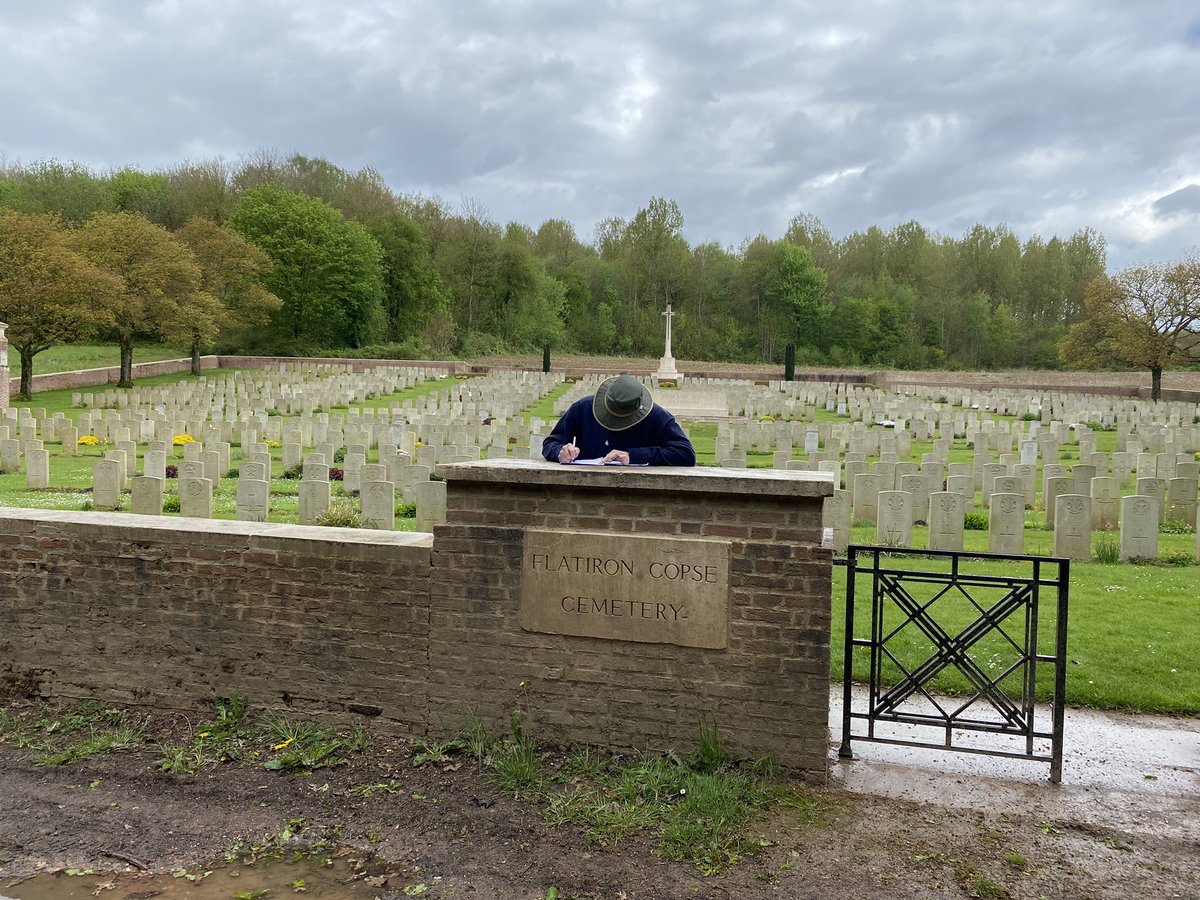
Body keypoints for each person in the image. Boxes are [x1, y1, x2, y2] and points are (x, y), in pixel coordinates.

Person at [542, 374, 696, 466]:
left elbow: (685, 454)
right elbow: (550, 444)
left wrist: (633, 456)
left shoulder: (657, 417)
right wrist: (560, 452)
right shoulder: (582, 409)